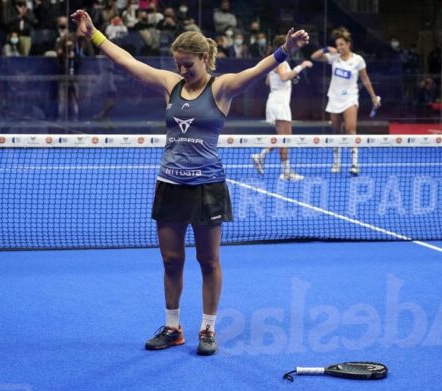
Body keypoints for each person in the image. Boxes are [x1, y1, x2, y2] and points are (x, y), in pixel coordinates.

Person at [71, 9, 309, 356]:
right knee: (171, 260)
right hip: (170, 185)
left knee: (208, 261)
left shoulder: (222, 87)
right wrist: (93, 33)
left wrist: (285, 50)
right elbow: (127, 62)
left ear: (205, 58)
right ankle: (173, 327)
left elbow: (256, 71)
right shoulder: (171, 84)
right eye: (178, 65)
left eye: (188, 65)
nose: (182, 71)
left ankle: (208, 328)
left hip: (207, 188)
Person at [311, 27, 379, 176]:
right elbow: (314, 57)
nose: (339, 47)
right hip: (334, 98)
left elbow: (365, 79)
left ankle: (354, 164)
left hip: (350, 98)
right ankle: (337, 162)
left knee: (350, 129)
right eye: (337, 45)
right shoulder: (334, 57)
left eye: (342, 44)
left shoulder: (358, 60)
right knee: (336, 131)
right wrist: (326, 49)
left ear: (348, 44)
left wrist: (373, 96)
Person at [252, 35, 313, 181]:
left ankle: (261, 156)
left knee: (284, 137)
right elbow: (285, 77)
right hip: (279, 103)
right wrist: (301, 66)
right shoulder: (280, 61)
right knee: (285, 138)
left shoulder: (275, 61)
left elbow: (268, 81)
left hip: (278, 101)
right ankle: (285, 171)